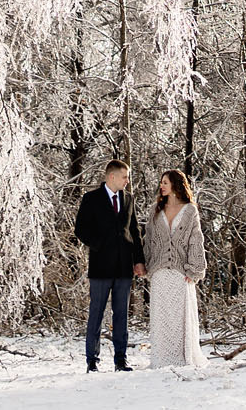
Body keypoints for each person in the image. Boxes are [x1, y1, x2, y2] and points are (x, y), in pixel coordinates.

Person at [72, 159, 145, 372]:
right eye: (124, 177)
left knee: (121, 315)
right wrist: (100, 245)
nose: (127, 181)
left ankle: (121, 360)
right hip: (101, 266)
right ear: (111, 176)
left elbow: (134, 231)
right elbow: (81, 229)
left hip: (124, 267)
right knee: (96, 313)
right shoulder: (91, 198)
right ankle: (92, 360)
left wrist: (138, 260)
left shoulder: (129, 198)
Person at [143, 169, 207, 368]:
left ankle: (181, 357)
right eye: (161, 182)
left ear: (175, 185)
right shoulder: (155, 210)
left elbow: (196, 240)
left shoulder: (190, 211)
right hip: (159, 271)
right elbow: (149, 240)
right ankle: (162, 358)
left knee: (180, 318)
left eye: (165, 182)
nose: (161, 186)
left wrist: (194, 269)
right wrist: (145, 264)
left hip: (181, 272)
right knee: (161, 317)